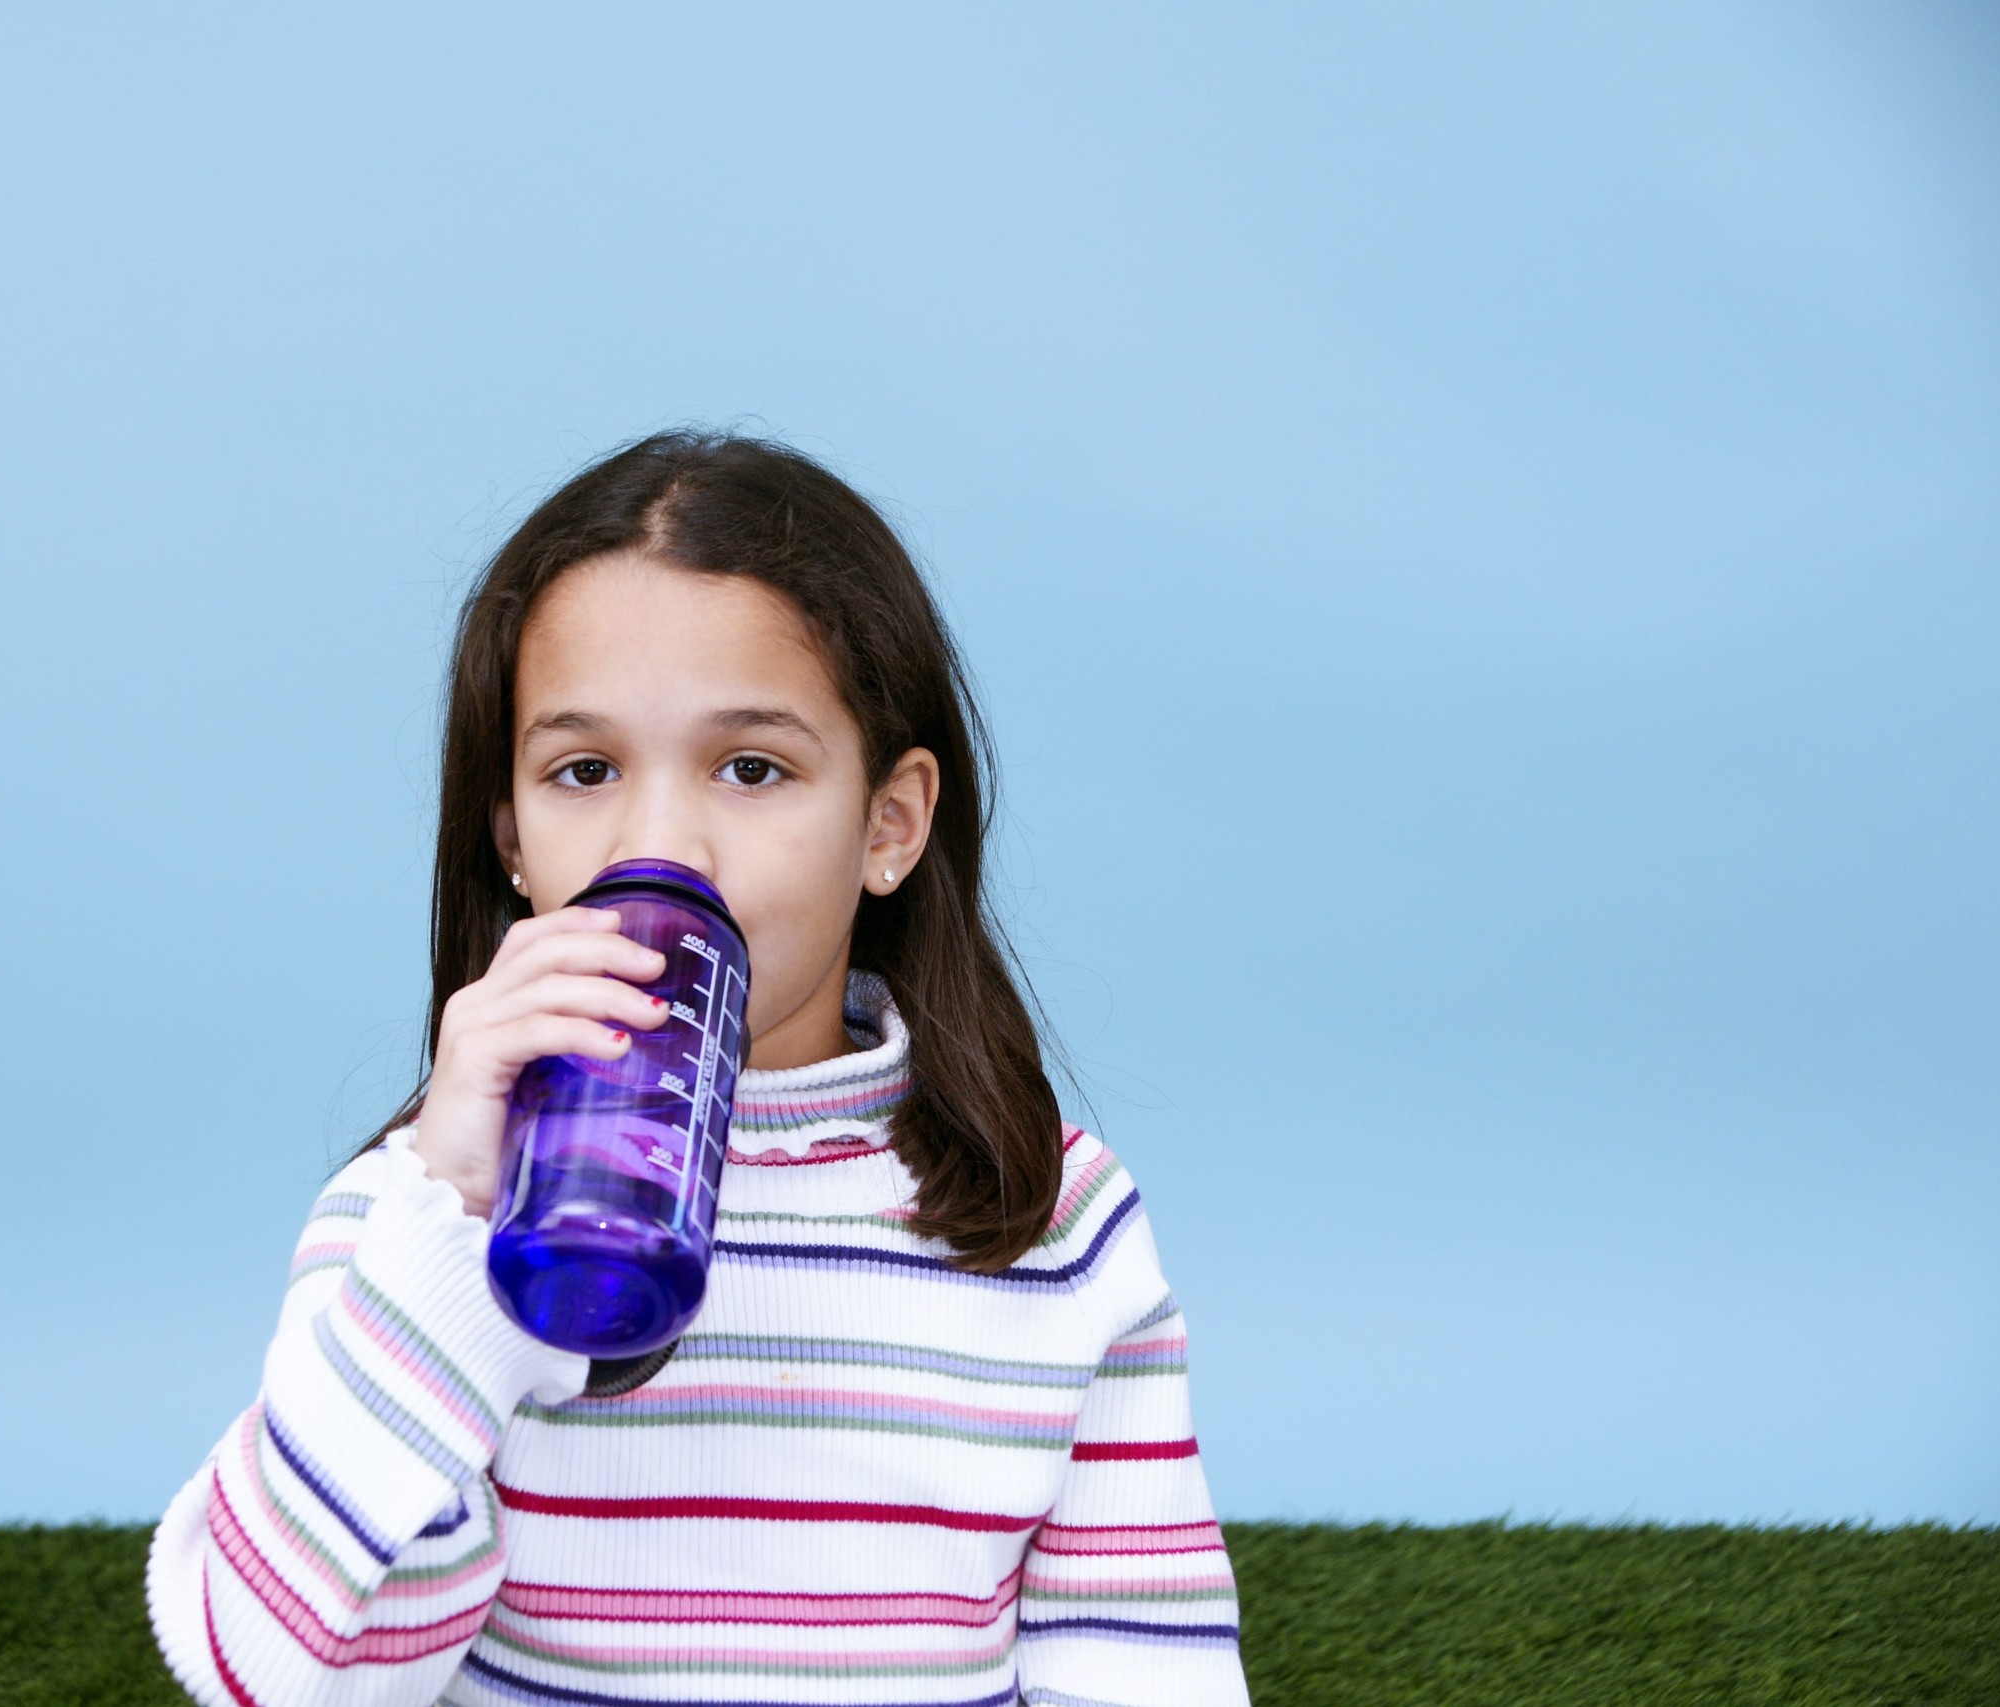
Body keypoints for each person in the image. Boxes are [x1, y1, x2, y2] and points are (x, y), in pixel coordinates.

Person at [145, 431, 1250, 1707]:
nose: (660, 840)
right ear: (512, 841)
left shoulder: (1050, 1218)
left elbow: (1136, 1667)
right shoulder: (417, 1221)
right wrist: (451, 1218)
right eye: (585, 770)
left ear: (887, 825)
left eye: (751, 768)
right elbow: (273, 1674)